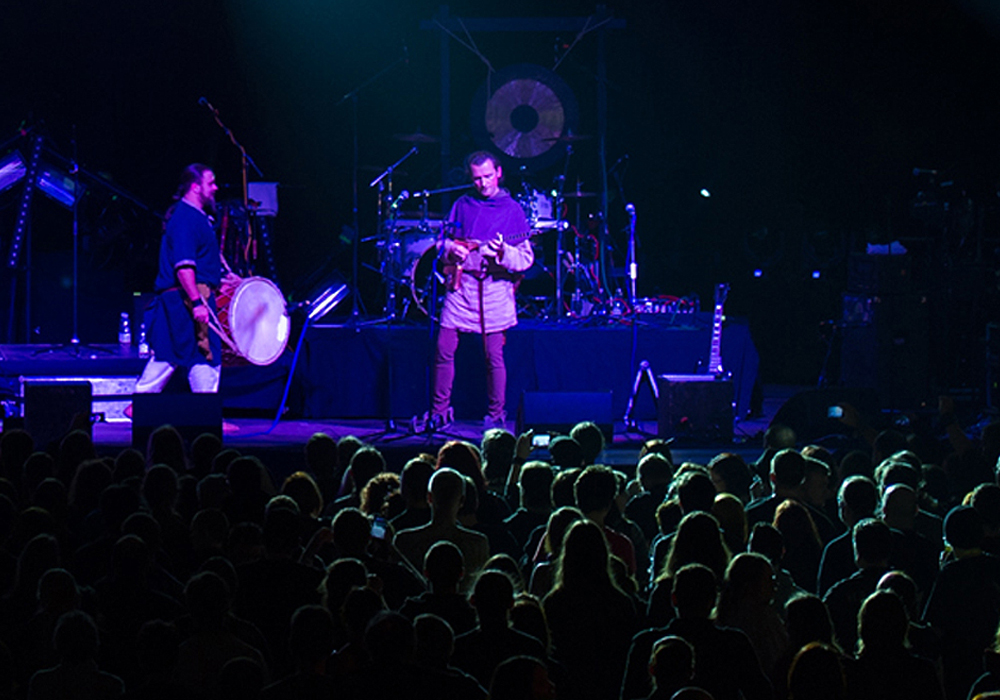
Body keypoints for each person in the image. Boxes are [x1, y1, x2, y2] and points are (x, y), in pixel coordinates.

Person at [429, 151, 534, 431]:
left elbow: (525, 259)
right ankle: (439, 411)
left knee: (493, 356)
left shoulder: (513, 210)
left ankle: (496, 414)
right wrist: (452, 249)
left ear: (498, 172)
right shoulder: (462, 205)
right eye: (477, 178)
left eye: (488, 176)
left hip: (495, 290)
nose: (483, 183)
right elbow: (441, 243)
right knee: (443, 348)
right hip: (461, 288)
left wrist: (503, 252)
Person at [134, 164, 238, 395]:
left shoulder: (197, 218)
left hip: (190, 297)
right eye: (210, 183)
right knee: (178, 353)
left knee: (196, 354)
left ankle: (205, 410)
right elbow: (183, 267)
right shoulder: (185, 219)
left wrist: (223, 281)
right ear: (195, 187)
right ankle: (142, 399)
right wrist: (197, 302)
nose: (215, 187)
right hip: (185, 299)